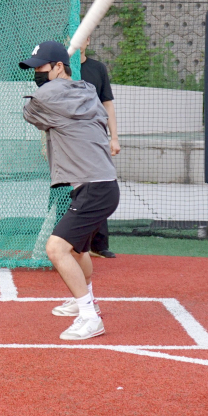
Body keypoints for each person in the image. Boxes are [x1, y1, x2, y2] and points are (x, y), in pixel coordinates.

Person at [20, 40, 119, 341]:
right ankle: (87, 301)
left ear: (59, 66)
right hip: (100, 185)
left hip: (94, 187)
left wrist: (46, 92)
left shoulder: (49, 94)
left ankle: (89, 316)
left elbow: (30, 111)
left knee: (56, 249)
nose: (36, 73)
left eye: (41, 67)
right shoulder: (86, 91)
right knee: (78, 249)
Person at [76, 32, 121, 259]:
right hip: (69, 141)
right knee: (64, 191)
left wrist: (114, 137)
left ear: (88, 41)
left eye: (82, 37)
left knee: (99, 186)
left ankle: (98, 244)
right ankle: (61, 240)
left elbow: (107, 104)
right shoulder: (58, 70)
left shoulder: (97, 68)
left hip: (96, 139)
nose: (78, 42)